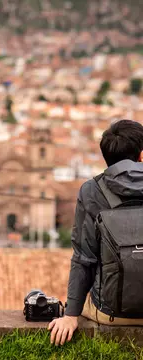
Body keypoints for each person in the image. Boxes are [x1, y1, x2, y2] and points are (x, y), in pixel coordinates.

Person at [48, 120, 143, 346]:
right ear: (141, 155)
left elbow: (84, 258)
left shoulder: (92, 191)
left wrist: (70, 315)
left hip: (112, 313)